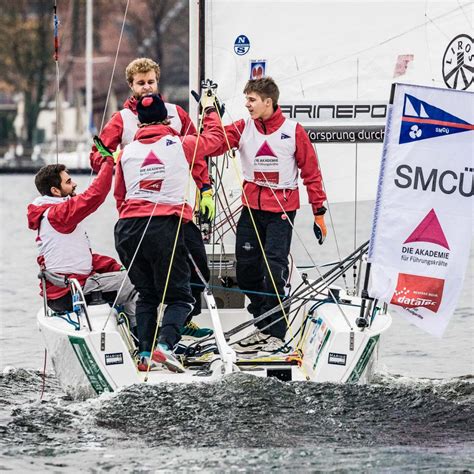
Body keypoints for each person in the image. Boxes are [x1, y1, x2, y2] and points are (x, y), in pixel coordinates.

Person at [90, 57, 212, 339]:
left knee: (198, 267)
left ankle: (182, 320)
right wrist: (112, 159)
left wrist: (204, 188)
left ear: (158, 81)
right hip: (138, 207)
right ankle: (160, 330)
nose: (146, 87)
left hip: (178, 205)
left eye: (151, 82)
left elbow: (197, 154)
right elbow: (98, 156)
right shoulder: (121, 120)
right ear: (131, 86)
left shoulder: (177, 114)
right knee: (153, 280)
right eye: (140, 83)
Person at [215, 77, 327, 354]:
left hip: (281, 213)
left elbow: (311, 173)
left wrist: (319, 212)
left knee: (273, 272)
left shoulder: (293, 131)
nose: (247, 105)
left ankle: (276, 333)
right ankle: (263, 322)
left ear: (268, 101)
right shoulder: (243, 128)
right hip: (251, 211)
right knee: (246, 271)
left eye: (252, 100)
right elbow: (213, 143)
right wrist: (208, 119)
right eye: (246, 99)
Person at [113, 90, 223, 373]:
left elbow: (119, 196)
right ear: (166, 118)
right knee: (180, 297)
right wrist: (210, 112)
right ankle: (166, 346)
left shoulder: (125, 153)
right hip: (165, 226)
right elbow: (216, 141)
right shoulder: (181, 143)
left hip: (127, 229)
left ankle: (145, 354)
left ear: (139, 123)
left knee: (147, 294)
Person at [27, 154, 137, 325]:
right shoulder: (58, 214)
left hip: (64, 291)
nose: (74, 184)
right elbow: (95, 196)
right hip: (69, 293)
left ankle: (134, 333)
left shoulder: (48, 213)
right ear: (55, 191)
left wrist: (114, 267)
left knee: (129, 275)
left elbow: (79, 257)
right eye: (68, 182)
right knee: (139, 282)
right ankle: (146, 340)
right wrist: (107, 163)